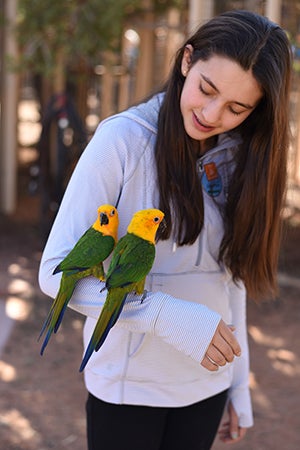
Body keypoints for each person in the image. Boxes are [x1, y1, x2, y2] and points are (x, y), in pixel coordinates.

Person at [38, 9, 292, 450]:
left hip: (206, 385)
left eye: (236, 108)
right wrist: (164, 316)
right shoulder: (121, 142)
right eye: (206, 90)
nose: (212, 115)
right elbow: (54, 275)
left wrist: (236, 386)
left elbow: (230, 279)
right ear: (186, 61)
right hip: (127, 390)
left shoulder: (243, 156)